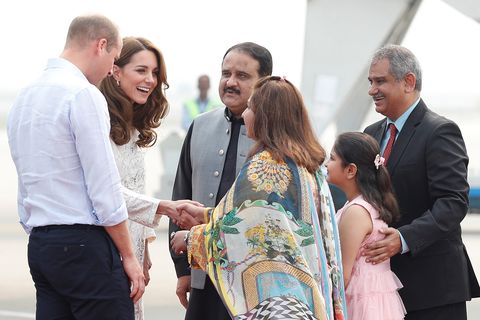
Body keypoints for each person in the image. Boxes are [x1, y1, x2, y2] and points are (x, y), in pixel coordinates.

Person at [171, 75, 347, 319]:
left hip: (278, 302)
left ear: (266, 116)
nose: (245, 114)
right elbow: (269, 218)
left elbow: (243, 232)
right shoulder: (306, 164)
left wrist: (190, 240)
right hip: (305, 297)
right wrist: (205, 215)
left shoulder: (266, 165)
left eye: (251, 107)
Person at [7, 15, 144, 319]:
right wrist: (129, 256)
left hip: (42, 246)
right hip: (84, 248)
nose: (112, 70)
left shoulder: (23, 99)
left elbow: (25, 182)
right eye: (113, 58)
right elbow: (103, 188)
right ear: (101, 45)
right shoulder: (82, 93)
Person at [363, 44, 480, 319]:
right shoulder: (370, 134)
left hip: (432, 291)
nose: (372, 89)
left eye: (380, 81)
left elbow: (452, 203)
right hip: (381, 288)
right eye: (370, 82)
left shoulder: (440, 131)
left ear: (408, 82)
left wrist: (403, 239)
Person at [168, 42, 273, 319]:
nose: (230, 82)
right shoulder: (200, 125)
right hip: (204, 274)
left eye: (242, 76)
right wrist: (183, 269)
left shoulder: (275, 137)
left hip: (255, 284)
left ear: (264, 82)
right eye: (226, 73)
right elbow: (180, 196)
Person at [98, 36, 199, 320]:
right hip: (105, 250)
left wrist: (144, 249)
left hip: (131, 249)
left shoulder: (130, 128)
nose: (151, 80)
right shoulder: (98, 123)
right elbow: (107, 191)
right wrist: (165, 207)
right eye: (141, 70)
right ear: (115, 72)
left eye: (155, 73)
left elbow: (134, 187)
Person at [326, 132, 406, 319]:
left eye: (332, 158)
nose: (326, 165)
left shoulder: (356, 212)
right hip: (377, 302)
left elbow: (343, 275)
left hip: (361, 304)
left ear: (350, 170)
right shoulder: (367, 205)